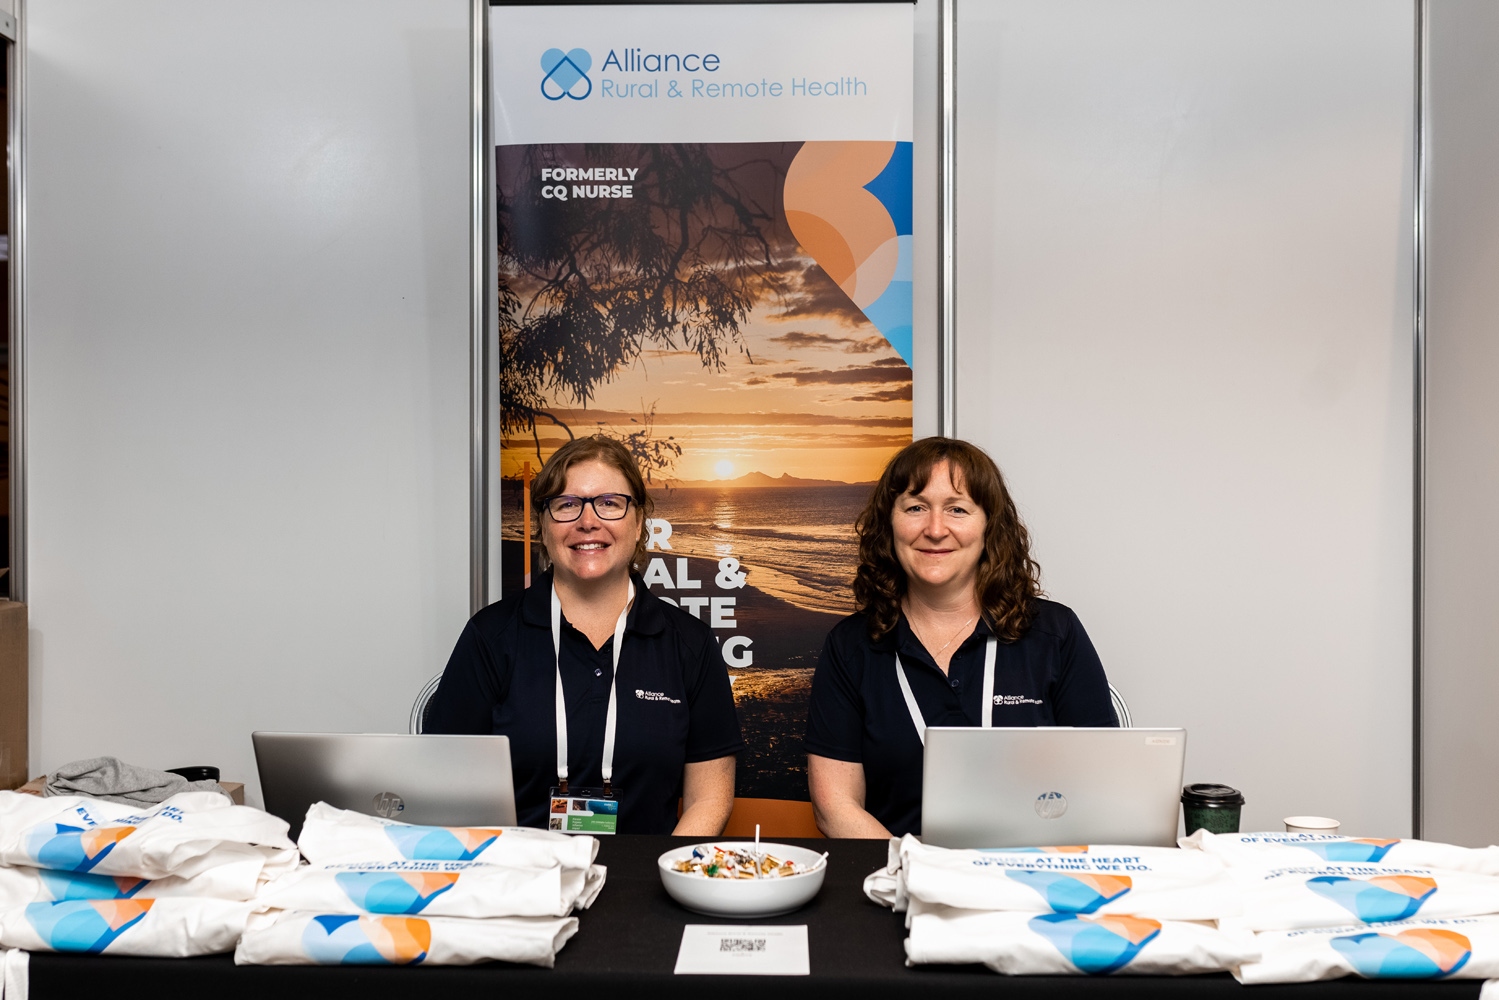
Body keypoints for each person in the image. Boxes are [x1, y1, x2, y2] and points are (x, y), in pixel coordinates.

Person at [426, 436, 743, 835]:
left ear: (638, 523)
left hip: (647, 872)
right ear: (543, 527)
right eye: (566, 504)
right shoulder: (490, 636)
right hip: (521, 871)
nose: (588, 521)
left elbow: (709, 799)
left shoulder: (691, 643)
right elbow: (444, 786)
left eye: (609, 503)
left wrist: (659, 868)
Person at [804, 437, 1116, 838]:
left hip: (1033, 869)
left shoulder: (1054, 633)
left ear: (990, 526)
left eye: (957, 509)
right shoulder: (851, 647)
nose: (935, 530)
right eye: (916, 508)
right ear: (889, 523)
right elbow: (835, 808)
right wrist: (916, 867)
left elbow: (1101, 785)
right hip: (897, 870)